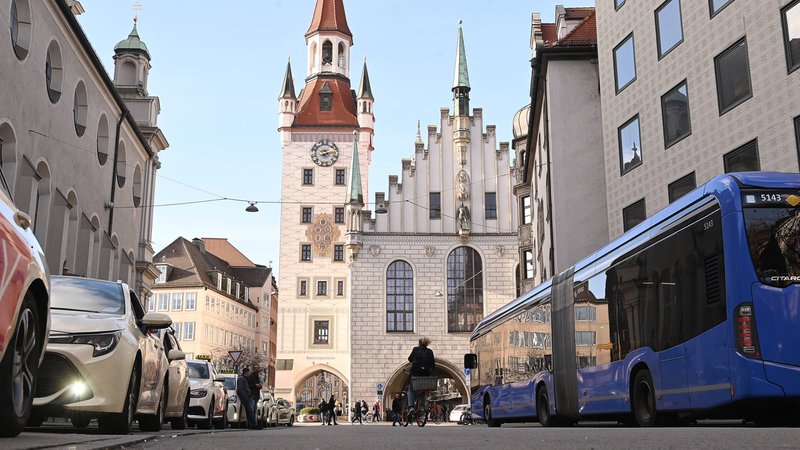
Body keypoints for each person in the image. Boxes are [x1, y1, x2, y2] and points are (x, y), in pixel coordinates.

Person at [407, 337, 435, 407]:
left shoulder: (415, 349)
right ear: (427, 344)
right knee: (423, 389)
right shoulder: (430, 351)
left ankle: (411, 406)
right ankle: (424, 405)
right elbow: (433, 364)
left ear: (419, 343)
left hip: (415, 374)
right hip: (425, 375)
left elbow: (409, 359)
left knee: (411, 389)